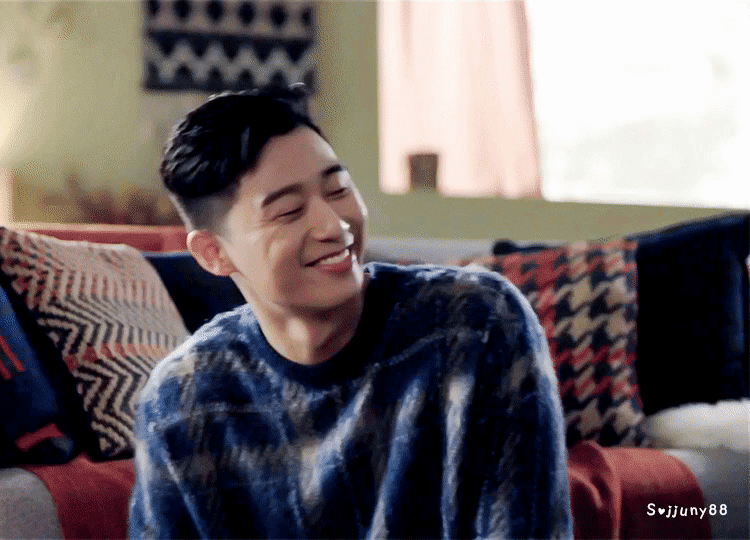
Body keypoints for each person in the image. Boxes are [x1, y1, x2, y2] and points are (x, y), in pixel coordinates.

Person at [128, 84, 573, 539]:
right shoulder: (180, 404)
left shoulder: (476, 324)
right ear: (214, 254)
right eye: (289, 211)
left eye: (337, 188)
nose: (334, 225)